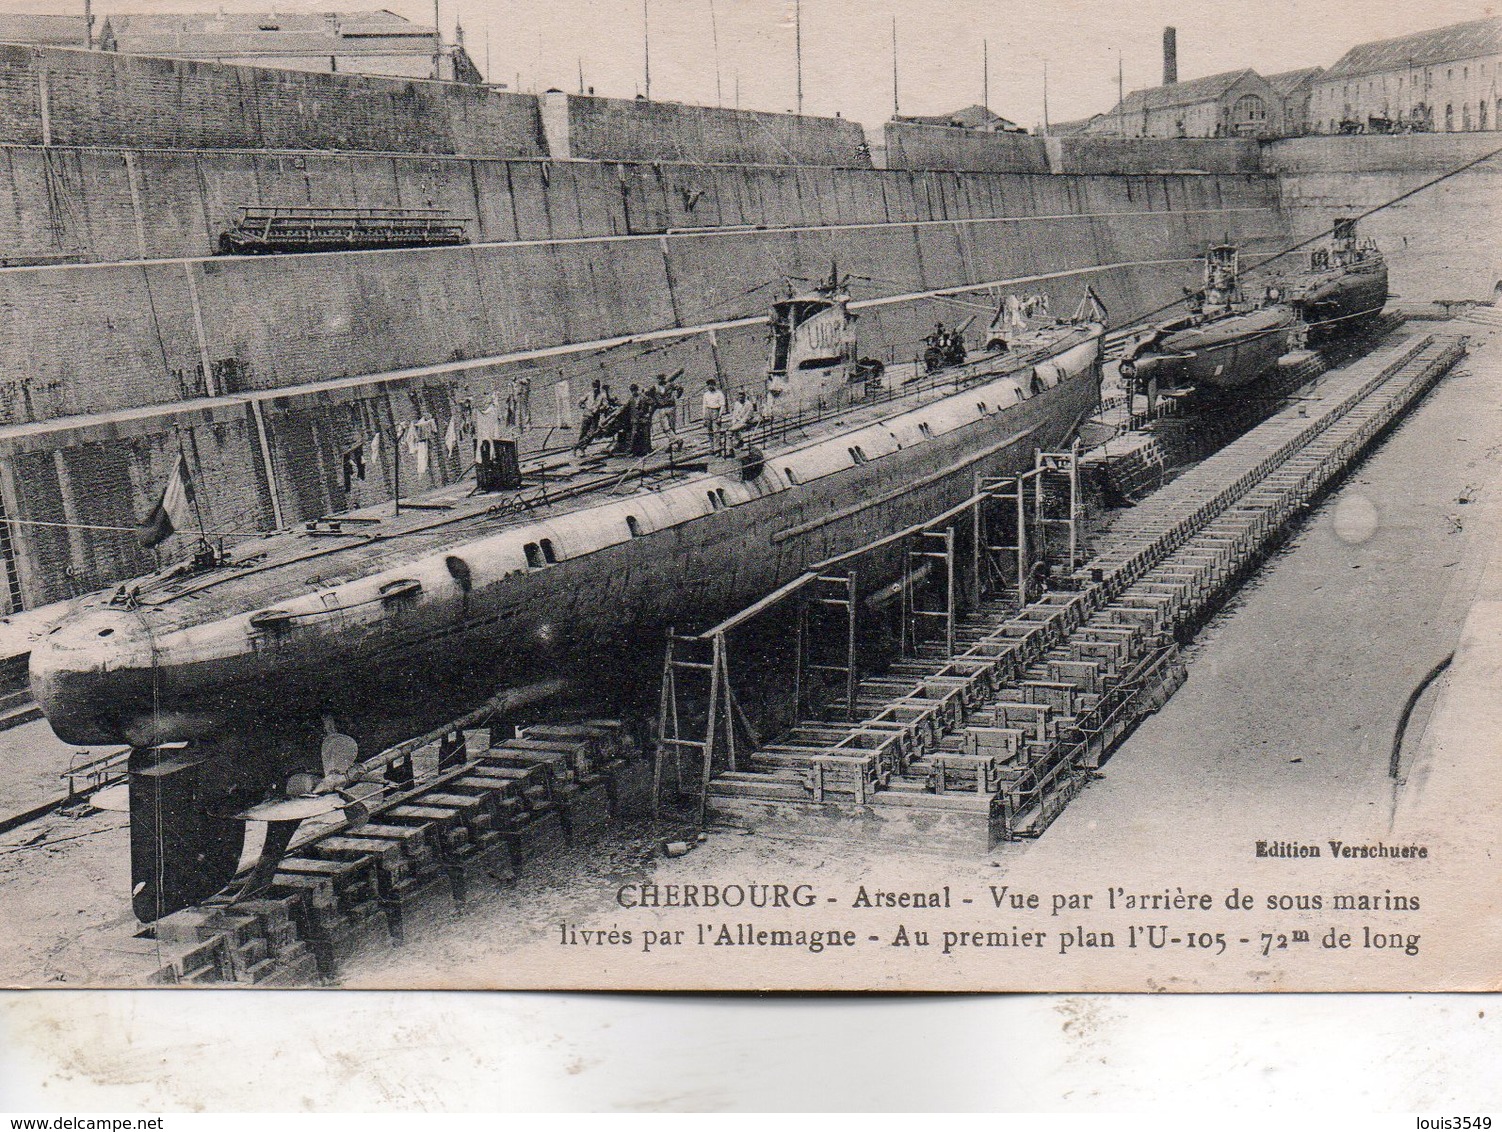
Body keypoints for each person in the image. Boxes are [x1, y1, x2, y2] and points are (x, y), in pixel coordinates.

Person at [702, 378, 726, 453]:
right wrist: (704, 417)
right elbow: (704, 405)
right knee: (709, 431)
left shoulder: (719, 393)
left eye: (711, 385)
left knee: (716, 431)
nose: (710, 386)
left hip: (716, 411)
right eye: (708, 385)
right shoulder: (706, 394)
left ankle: (717, 449)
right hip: (708, 412)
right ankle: (712, 448)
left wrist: (719, 416)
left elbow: (722, 405)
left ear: (714, 385)